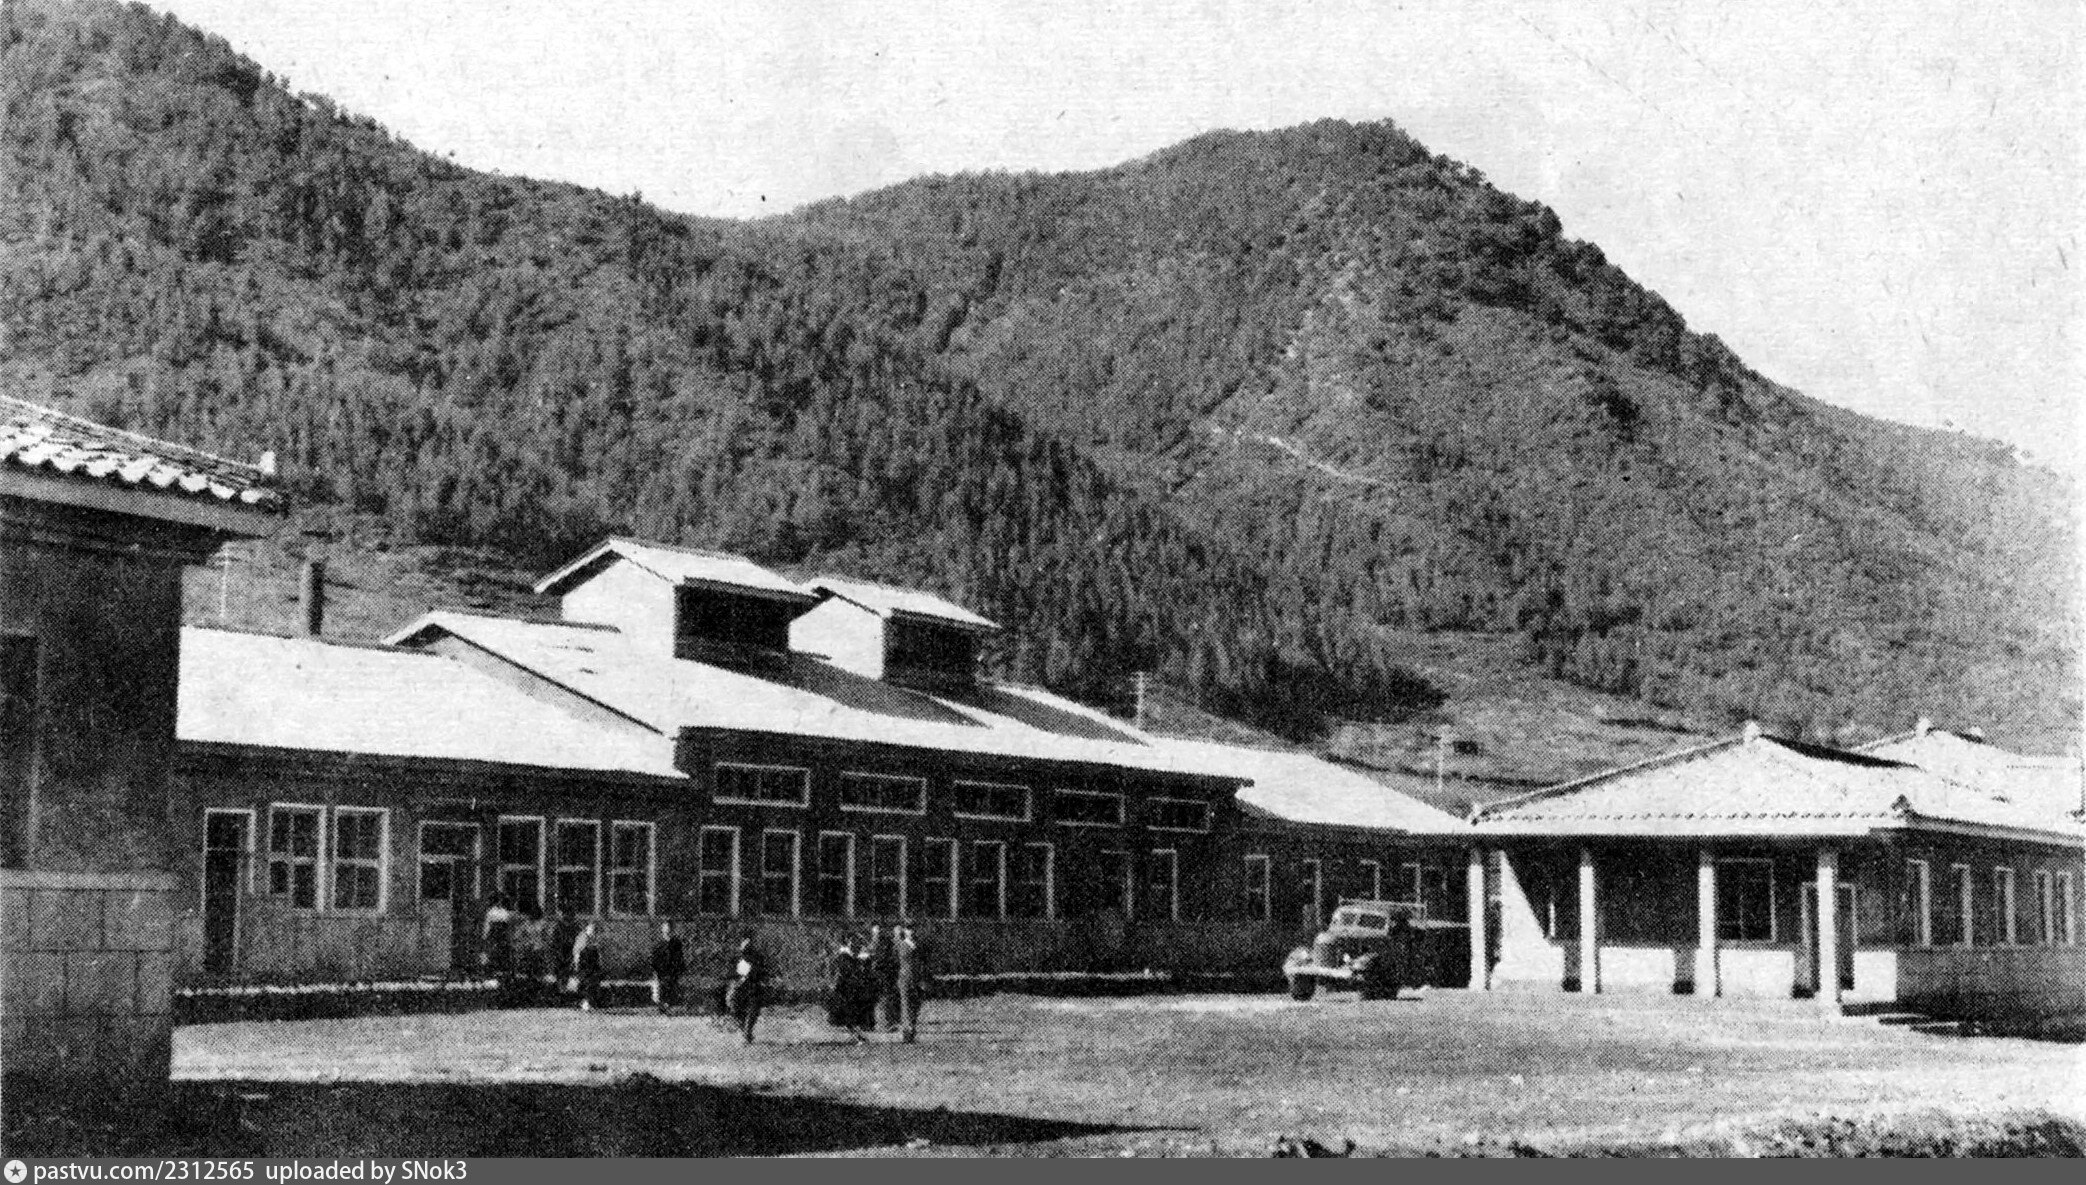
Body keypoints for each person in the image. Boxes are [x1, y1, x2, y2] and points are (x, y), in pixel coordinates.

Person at [826, 934, 869, 1043]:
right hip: (845, 988)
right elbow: (845, 972)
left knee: (853, 1012)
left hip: (851, 988)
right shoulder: (844, 956)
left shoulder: (851, 956)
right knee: (849, 1012)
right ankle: (855, 1035)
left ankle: (857, 1034)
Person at [727, 931, 767, 1043]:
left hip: (753, 986)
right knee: (733, 1005)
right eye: (744, 950)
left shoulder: (758, 958)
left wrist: (756, 978)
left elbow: (761, 972)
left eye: (749, 949)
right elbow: (732, 973)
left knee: (753, 1009)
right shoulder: (737, 958)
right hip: (739, 987)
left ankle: (747, 1031)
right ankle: (745, 1029)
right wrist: (736, 981)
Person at [895, 920, 929, 1043]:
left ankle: (912, 1030)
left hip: (917, 979)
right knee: (906, 1005)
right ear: (905, 931)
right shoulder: (902, 945)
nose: (911, 931)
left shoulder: (918, 945)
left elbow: (923, 963)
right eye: (909, 929)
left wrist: (923, 979)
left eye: (913, 929)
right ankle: (906, 1032)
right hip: (905, 979)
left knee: (916, 1006)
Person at [866, 922, 900, 1032]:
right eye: (875, 931)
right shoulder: (870, 944)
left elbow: (886, 959)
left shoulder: (885, 944)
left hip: (883, 974)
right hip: (873, 975)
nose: (877, 933)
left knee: (886, 999)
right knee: (875, 1000)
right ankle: (874, 1024)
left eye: (878, 931)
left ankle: (887, 1023)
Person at [650, 921, 686, 1014]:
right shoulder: (659, 945)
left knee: (670, 989)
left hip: (672, 972)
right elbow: (654, 960)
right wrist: (656, 971)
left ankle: (667, 1006)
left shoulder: (676, 944)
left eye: (669, 929)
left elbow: (679, 958)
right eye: (665, 929)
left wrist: (678, 971)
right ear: (662, 930)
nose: (667, 931)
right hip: (661, 972)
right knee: (658, 992)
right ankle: (663, 1006)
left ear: (672, 930)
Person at [480, 894, 515, 985]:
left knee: (503, 953)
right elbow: (487, 924)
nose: (499, 902)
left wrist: (509, 937)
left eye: (501, 901)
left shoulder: (505, 912)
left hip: (503, 935)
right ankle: (491, 974)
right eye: (498, 901)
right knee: (493, 953)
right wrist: (485, 936)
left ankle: (503, 974)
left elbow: (508, 926)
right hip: (494, 934)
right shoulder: (491, 912)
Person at [572, 921, 604, 1012]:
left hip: (593, 964)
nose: (594, 932)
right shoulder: (582, 938)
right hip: (584, 964)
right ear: (587, 929)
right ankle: (584, 1002)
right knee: (585, 983)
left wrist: (599, 963)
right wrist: (577, 964)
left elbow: (598, 952)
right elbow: (577, 952)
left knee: (593, 983)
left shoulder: (594, 938)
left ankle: (588, 1002)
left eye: (595, 930)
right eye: (592, 929)